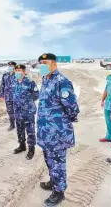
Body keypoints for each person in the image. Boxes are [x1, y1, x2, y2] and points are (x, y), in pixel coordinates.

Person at [36, 53, 80, 206]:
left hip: (57, 132)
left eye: (45, 62)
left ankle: (59, 192)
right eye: (41, 62)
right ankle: (53, 182)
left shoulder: (62, 82)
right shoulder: (45, 79)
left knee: (58, 162)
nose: (42, 65)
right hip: (45, 131)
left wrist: (64, 123)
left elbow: (72, 108)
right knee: (49, 160)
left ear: (54, 64)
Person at [12, 64, 39, 160]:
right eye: (16, 70)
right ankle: (22, 146)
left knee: (30, 131)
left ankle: (31, 149)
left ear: (24, 72)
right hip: (17, 111)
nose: (17, 72)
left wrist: (26, 102)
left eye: (20, 70)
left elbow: (36, 95)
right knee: (19, 129)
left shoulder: (30, 82)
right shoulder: (14, 82)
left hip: (28, 111)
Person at [0, 61, 17, 131]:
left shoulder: (17, 75)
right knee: (10, 111)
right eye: (9, 66)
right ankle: (12, 125)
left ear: (14, 67)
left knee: (18, 111)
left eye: (12, 66)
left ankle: (19, 124)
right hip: (8, 97)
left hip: (16, 96)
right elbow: (2, 85)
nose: (10, 67)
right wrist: (1, 95)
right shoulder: (5, 75)